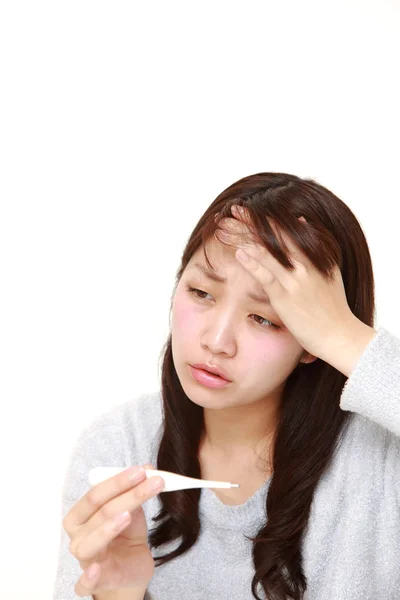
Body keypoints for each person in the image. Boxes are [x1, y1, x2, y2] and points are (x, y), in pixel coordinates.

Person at [53, 172, 400, 600]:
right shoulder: (120, 446)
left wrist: (343, 338)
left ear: (311, 340)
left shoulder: (381, 461)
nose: (216, 341)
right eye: (200, 292)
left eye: (264, 318)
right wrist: (120, 595)